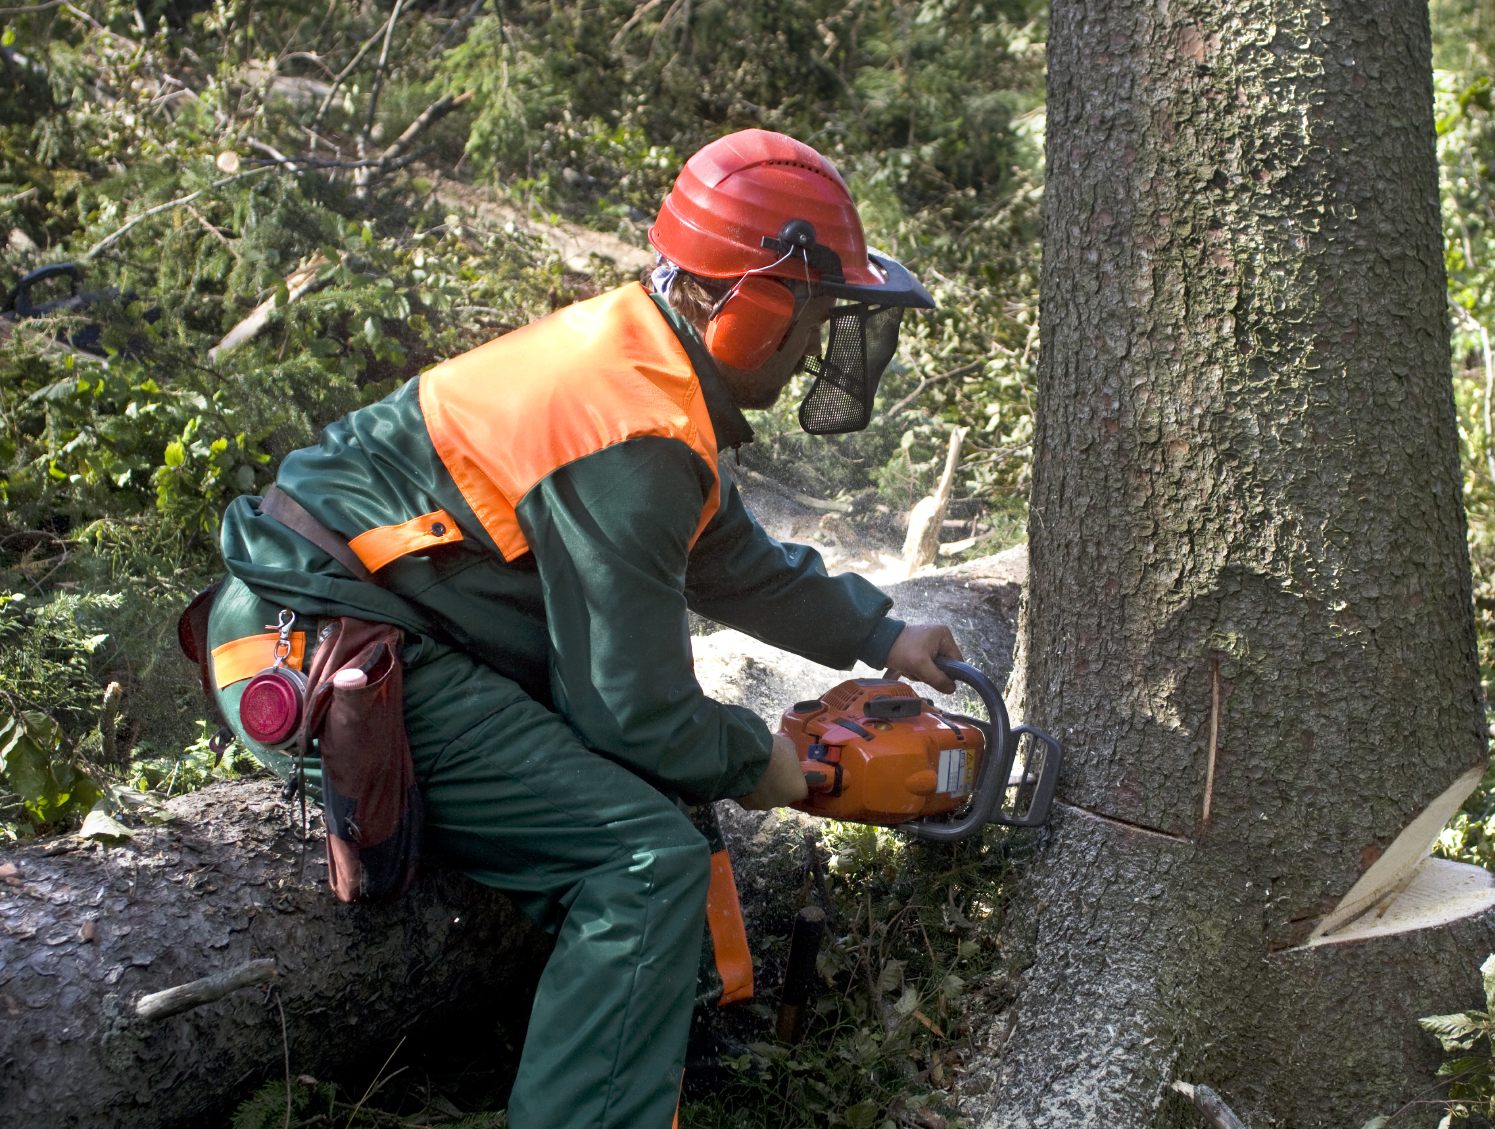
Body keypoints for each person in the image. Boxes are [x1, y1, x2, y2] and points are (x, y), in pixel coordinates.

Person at [199, 128, 964, 1128]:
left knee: (659, 811)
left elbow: (731, 561)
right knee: (641, 863)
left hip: (368, 625)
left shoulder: (641, 369)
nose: (820, 343)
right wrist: (761, 760)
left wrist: (883, 633)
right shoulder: (634, 433)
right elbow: (635, 713)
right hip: (332, 651)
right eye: (816, 314)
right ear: (756, 303)